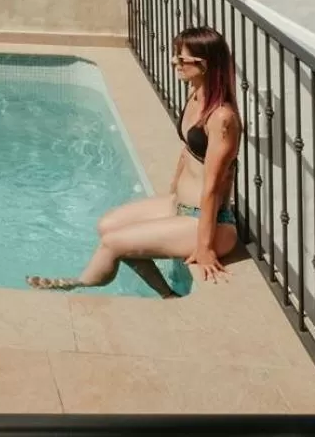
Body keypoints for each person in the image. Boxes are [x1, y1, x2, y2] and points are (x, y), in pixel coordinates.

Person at [28, 26, 242, 292]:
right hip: (181, 206)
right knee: (107, 225)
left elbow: (212, 186)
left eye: (181, 59)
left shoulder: (222, 118)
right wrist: (174, 189)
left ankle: (79, 283)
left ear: (204, 64)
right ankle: (167, 295)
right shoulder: (195, 94)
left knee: (113, 243)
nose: (174, 62)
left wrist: (205, 247)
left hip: (208, 222)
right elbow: (188, 150)